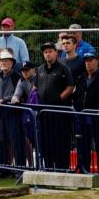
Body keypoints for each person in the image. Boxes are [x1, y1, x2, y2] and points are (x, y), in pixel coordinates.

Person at [34, 42, 74, 171]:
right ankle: (49, 168)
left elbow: (70, 87)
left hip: (59, 112)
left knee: (60, 141)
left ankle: (63, 169)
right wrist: (33, 99)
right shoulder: (39, 69)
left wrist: (59, 99)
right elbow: (35, 87)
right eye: (45, 52)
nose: (48, 54)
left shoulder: (63, 68)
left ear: (56, 53)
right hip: (43, 112)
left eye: (50, 51)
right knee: (46, 142)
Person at [77, 53, 99, 174]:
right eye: (86, 61)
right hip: (83, 116)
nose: (88, 63)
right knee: (84, 144)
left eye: (90, 60)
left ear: (97, 61)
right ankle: (85, 170)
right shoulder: (81, 77)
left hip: (97, 116)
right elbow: (77, 95)